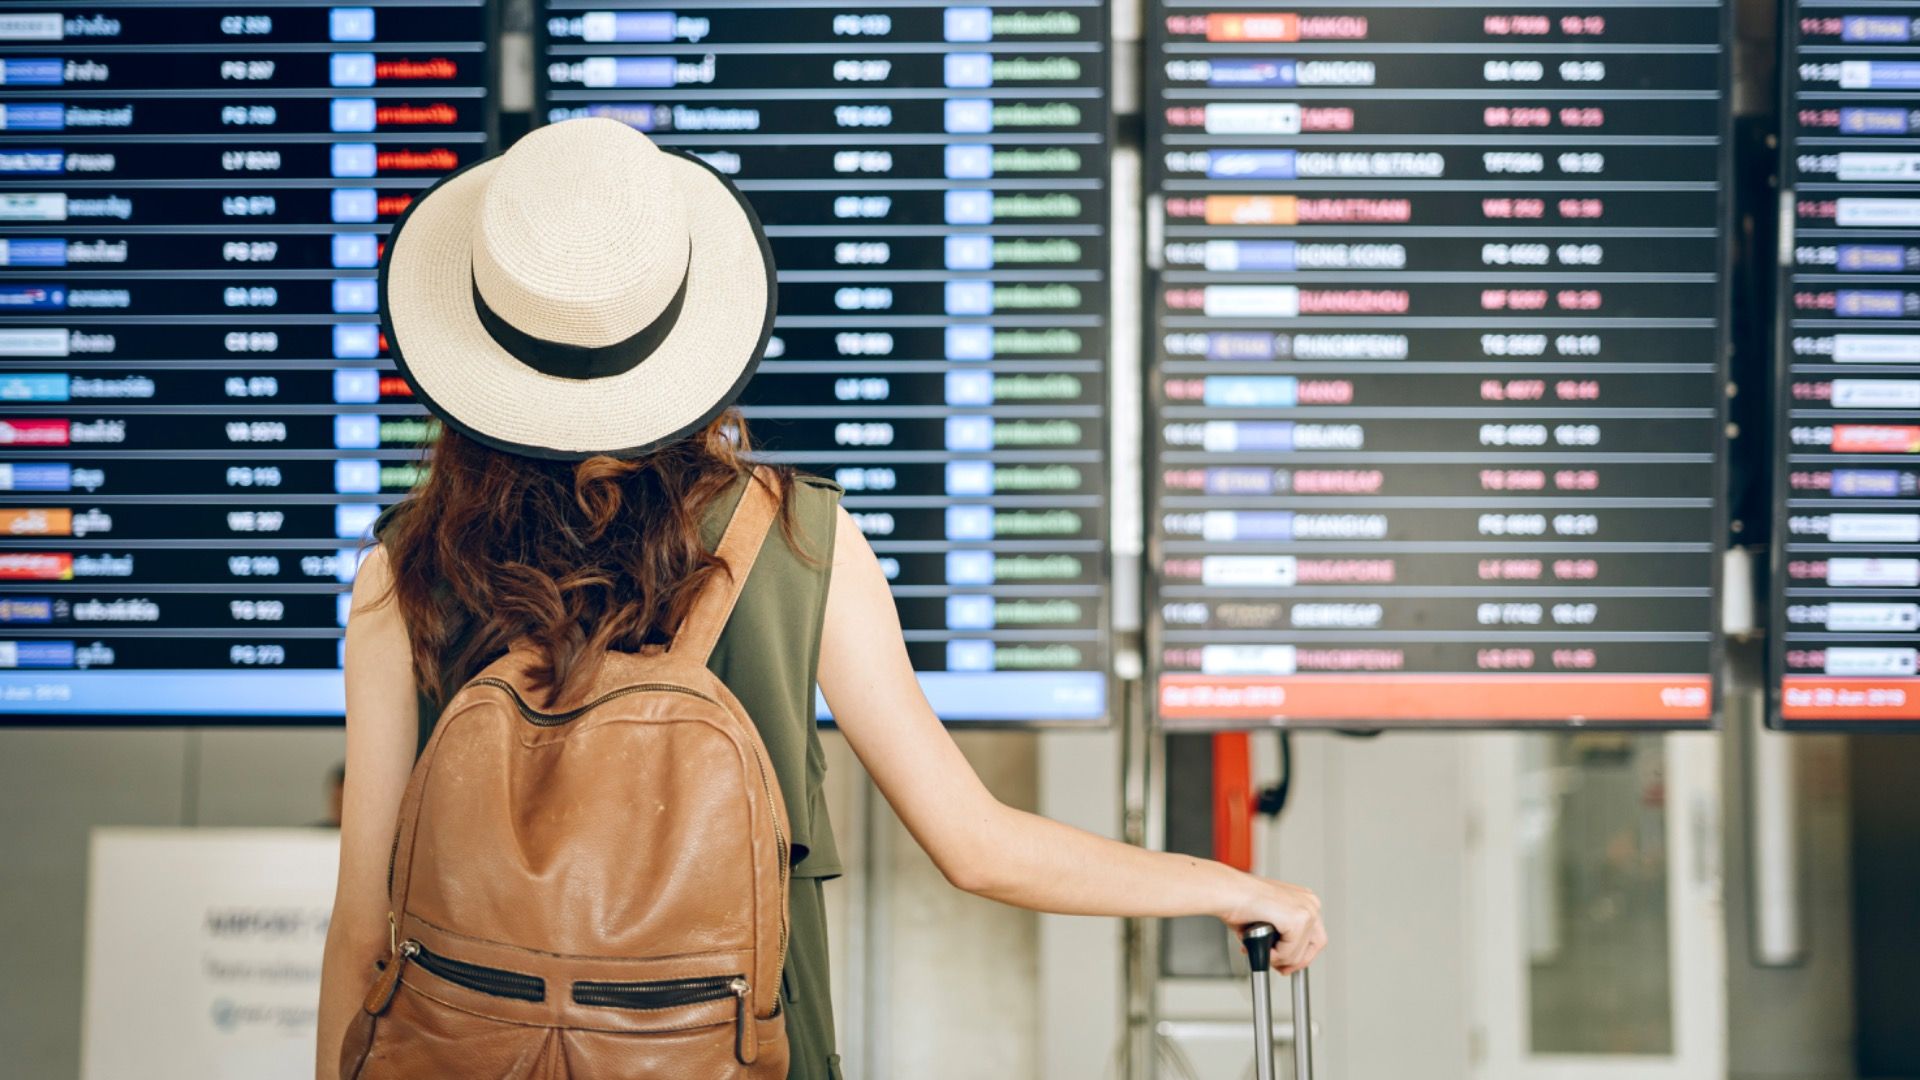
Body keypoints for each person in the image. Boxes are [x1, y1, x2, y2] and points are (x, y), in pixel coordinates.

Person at [315, 117, 1326, 1080]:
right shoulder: (799, 541)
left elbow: (364, 924)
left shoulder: (401, 572)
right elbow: (973, 845)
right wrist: (1226, 886)